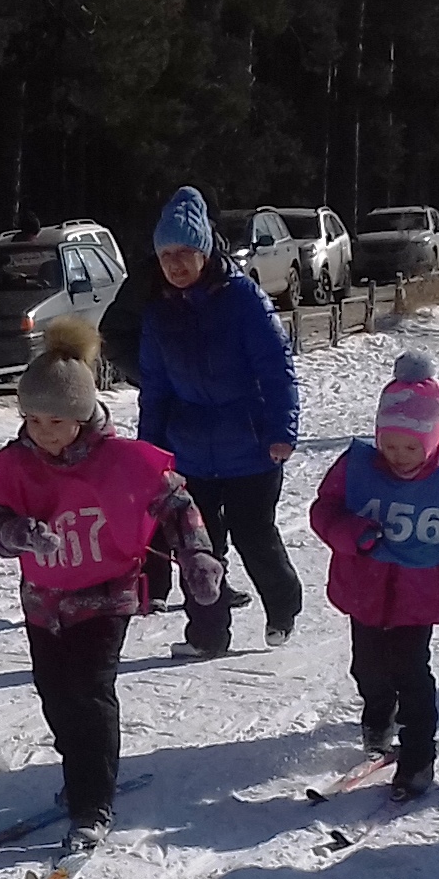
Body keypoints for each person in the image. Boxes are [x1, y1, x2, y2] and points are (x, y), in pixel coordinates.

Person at [0, 322, 224, 870]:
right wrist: (11, 533)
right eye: (31, 419)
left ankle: (92, 802)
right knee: (54, 695)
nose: (42, 432)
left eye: (55, 421)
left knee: (88, 694)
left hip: (105, 598)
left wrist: (198, 557)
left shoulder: (124, 461)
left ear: (82, 414)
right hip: (43, 602)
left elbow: (178, 506)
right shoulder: (19, 464)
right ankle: (78, 773)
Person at [308, 350, 439, 800]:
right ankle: (378, 715)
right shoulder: (357, 469)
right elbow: (323, 511)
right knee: (368, 669)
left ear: (433, 439)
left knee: (413, 676)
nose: (398, 456)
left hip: (418, 601)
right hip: (365, 592)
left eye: (410, 447)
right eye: (389, 445)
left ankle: (418, 757)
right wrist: (351, 533)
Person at [136, 185, 304, 657]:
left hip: (250, 444)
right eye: (166, 254)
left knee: (255, 535)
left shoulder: (243, 299)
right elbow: (155, 388)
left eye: (185, 252)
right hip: (190, 449)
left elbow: (276, 366)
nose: (175, 264)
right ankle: (208, 635)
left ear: (205, 251)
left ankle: (283, 604)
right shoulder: (159, 312)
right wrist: (151, 452)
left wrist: (281, 430)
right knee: (197, 548)